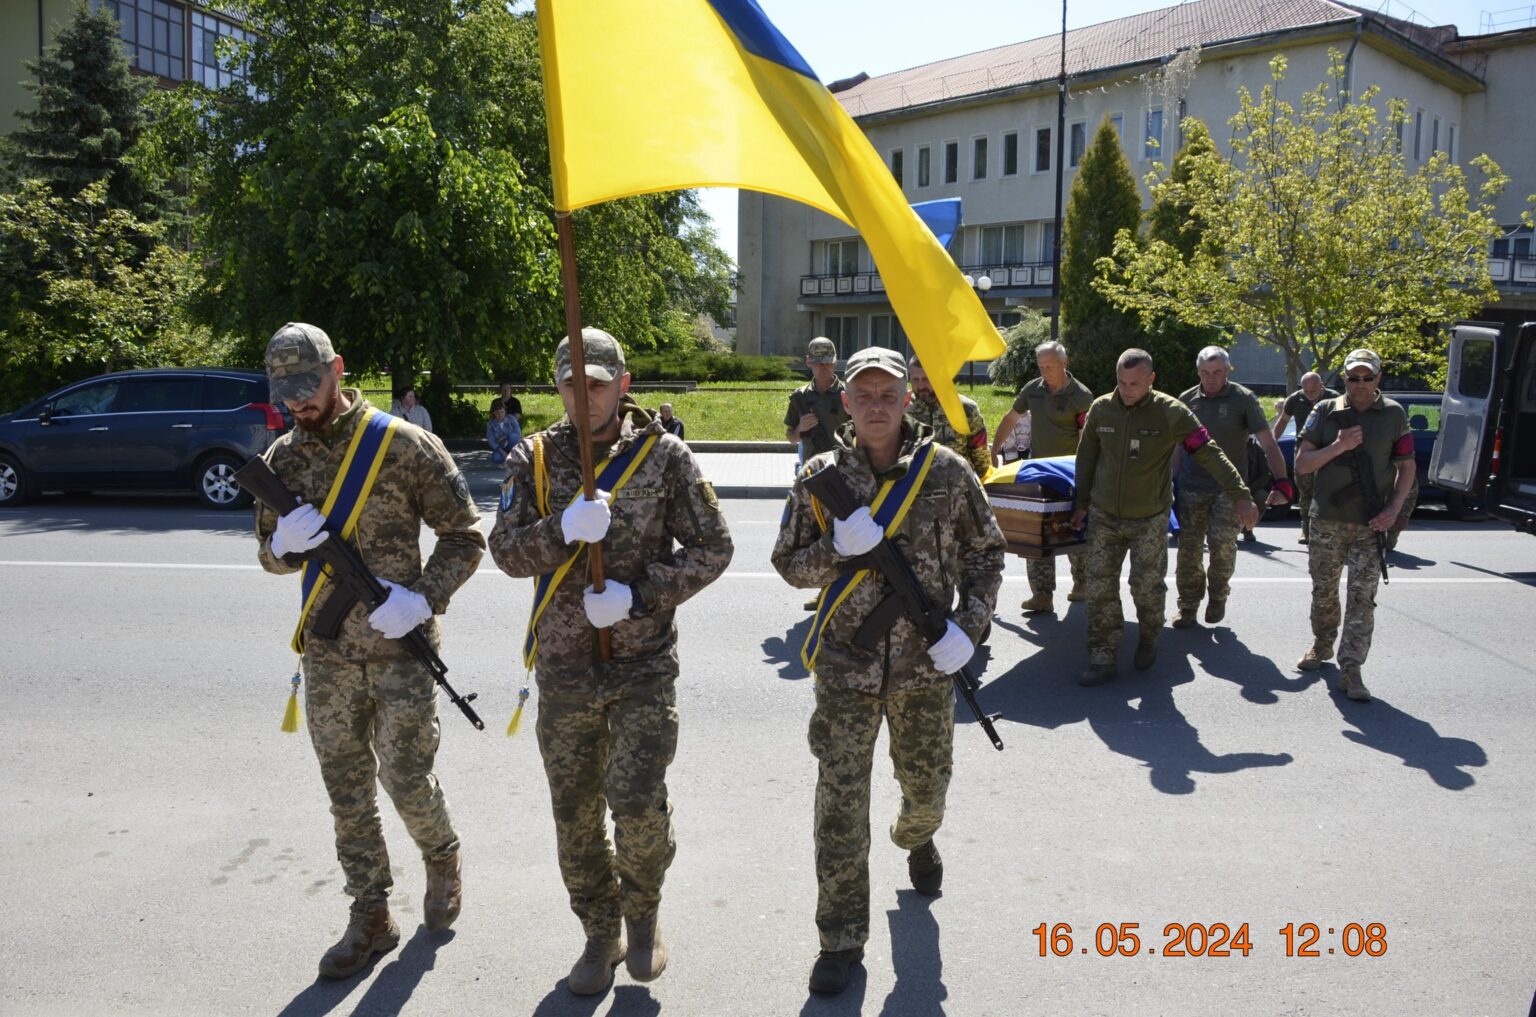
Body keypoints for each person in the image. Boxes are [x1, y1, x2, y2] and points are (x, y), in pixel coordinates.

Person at [489, 327, 733, 996]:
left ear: (623, 384)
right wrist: (559, 528)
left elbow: (714, 548)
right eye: (570, 382)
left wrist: (639, 594)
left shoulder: (665, 457)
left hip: (642, 667)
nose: (583, 394)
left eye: (596, 382)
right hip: (564, 669)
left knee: (637, 803)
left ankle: (644, 912)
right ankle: (600, 931)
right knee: (574, 815)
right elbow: (505, 552)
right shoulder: (533, 459)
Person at [253, 322, 485, 978]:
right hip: (326, 657)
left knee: (406, 778)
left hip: (399, 651)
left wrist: (424, 596)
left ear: (338, 370)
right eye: (287, 393)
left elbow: (465, 535)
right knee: (346, 789)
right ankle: (370, 913)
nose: (300, 404)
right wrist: (281, 548)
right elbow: (268, 554)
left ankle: (442, 857)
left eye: (309, 388)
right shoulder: (281, 461)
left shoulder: (404, 445)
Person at [771, 346, 1005, 995]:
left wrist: (970, 626)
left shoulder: (948, 473)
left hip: (926, 669)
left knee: (926, 790)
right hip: (845, 667)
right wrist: (831, 550)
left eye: (888, 394)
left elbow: (987, 555)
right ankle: (840, 937)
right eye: (863, 394)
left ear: (909, 399)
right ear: (844, 401)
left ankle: (917, 836)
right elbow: (789, 565)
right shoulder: (821, 475)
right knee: (840, 806)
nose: (876, 405)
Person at [1071, 349, 1260, 687]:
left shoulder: (1172, 413)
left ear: (1151, 380)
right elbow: (1086, 458)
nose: (1127, 390)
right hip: (1105, 516)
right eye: (1122, 382)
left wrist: (1240, 494)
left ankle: (1148, 636)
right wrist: (1080, 503)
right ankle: (1103, 656)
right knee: (1099, 588)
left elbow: (1209, 453)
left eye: (1135, 383)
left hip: (1149, 518)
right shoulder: (1102, 409)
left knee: (1145, 588)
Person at [1294, 349, 1415, 702]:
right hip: (1327, 520)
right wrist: (1338, 445)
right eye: (1353, 378)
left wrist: (1394, 510)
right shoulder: (1325, 411)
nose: (1359, 384)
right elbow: (1302, 463)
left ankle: (1352, 668)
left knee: (1362, 599)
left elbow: (1406, 467)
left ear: (1378, 379)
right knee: (1324, 592)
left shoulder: (1394, 414)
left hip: (1370, 524)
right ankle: (1321, 644)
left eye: (1367, 377)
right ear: (1343, 379)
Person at [1172, 347, 1291, 628]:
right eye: (1205, 373)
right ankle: (1187, 607)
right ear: (1198, 372)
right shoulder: (1187, 400)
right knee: (1188, 552)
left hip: (1230, 488)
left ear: (1227, 371)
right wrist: (1173, 484)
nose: (1211, 379)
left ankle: (1218, 595)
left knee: (1222, 548)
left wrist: (1282, 480)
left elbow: (1268, 441)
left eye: (1217, 372)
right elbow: (1177, 447)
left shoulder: (1243, 399)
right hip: (1192, 486)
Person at [992, 341, 1095, 614]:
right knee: (1035, 533)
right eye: (1041, 367)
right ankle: (1042, 594)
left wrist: (1084, 473)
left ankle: (1082, 583)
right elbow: (1012, 417)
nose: (1045, 372)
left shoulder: (1082, 396)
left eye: (1050, 367)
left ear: (1065, 363)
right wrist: (995, 449)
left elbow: (1088, 437)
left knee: (1075, 529)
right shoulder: (1032, 390)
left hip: (1070, 474)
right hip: (1039, 473)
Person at [1273, 372, 1340, 544]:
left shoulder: (1335, 399)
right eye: (1306, 390)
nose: (1309, 394)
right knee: (1305, 493)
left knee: (1329, 491)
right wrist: (1272, 443)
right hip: (1304, 451)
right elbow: (1282, 421)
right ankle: (1306, 531)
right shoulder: (1295, 399)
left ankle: (1330, 530)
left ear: (1322, 385)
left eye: (1313, 390)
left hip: (1327, 451)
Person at [904, 356, 991, 476]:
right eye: (915, 380)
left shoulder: (965, 409)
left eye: (926, 379)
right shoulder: (903, 409)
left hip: (958, 484)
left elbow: (980, 452)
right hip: (916, 485)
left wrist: (982, 479)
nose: (920, 386)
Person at [784, 336, 849, 464]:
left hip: (844, 468)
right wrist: (800, 428)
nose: (824, 367)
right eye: (819, 363)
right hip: (811, 469)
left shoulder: (848, 394)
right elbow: (791, 437)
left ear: (835, 362)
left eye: (828, 363)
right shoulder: (800, 397)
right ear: (809, 362)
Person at [486, 398, 522, 468]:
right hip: (501, 447)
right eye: (497, 413)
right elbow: (491, 441)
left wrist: (505, 437)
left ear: (505, 412)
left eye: (502, 412)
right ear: (494, 413)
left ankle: (514, 456)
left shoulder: (511, 419)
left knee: (513, 436)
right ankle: (508, 460)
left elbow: (518, 433)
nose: (500, 415)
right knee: (496, 458)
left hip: (512, 444)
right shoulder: (491, 424)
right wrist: (503, 453)